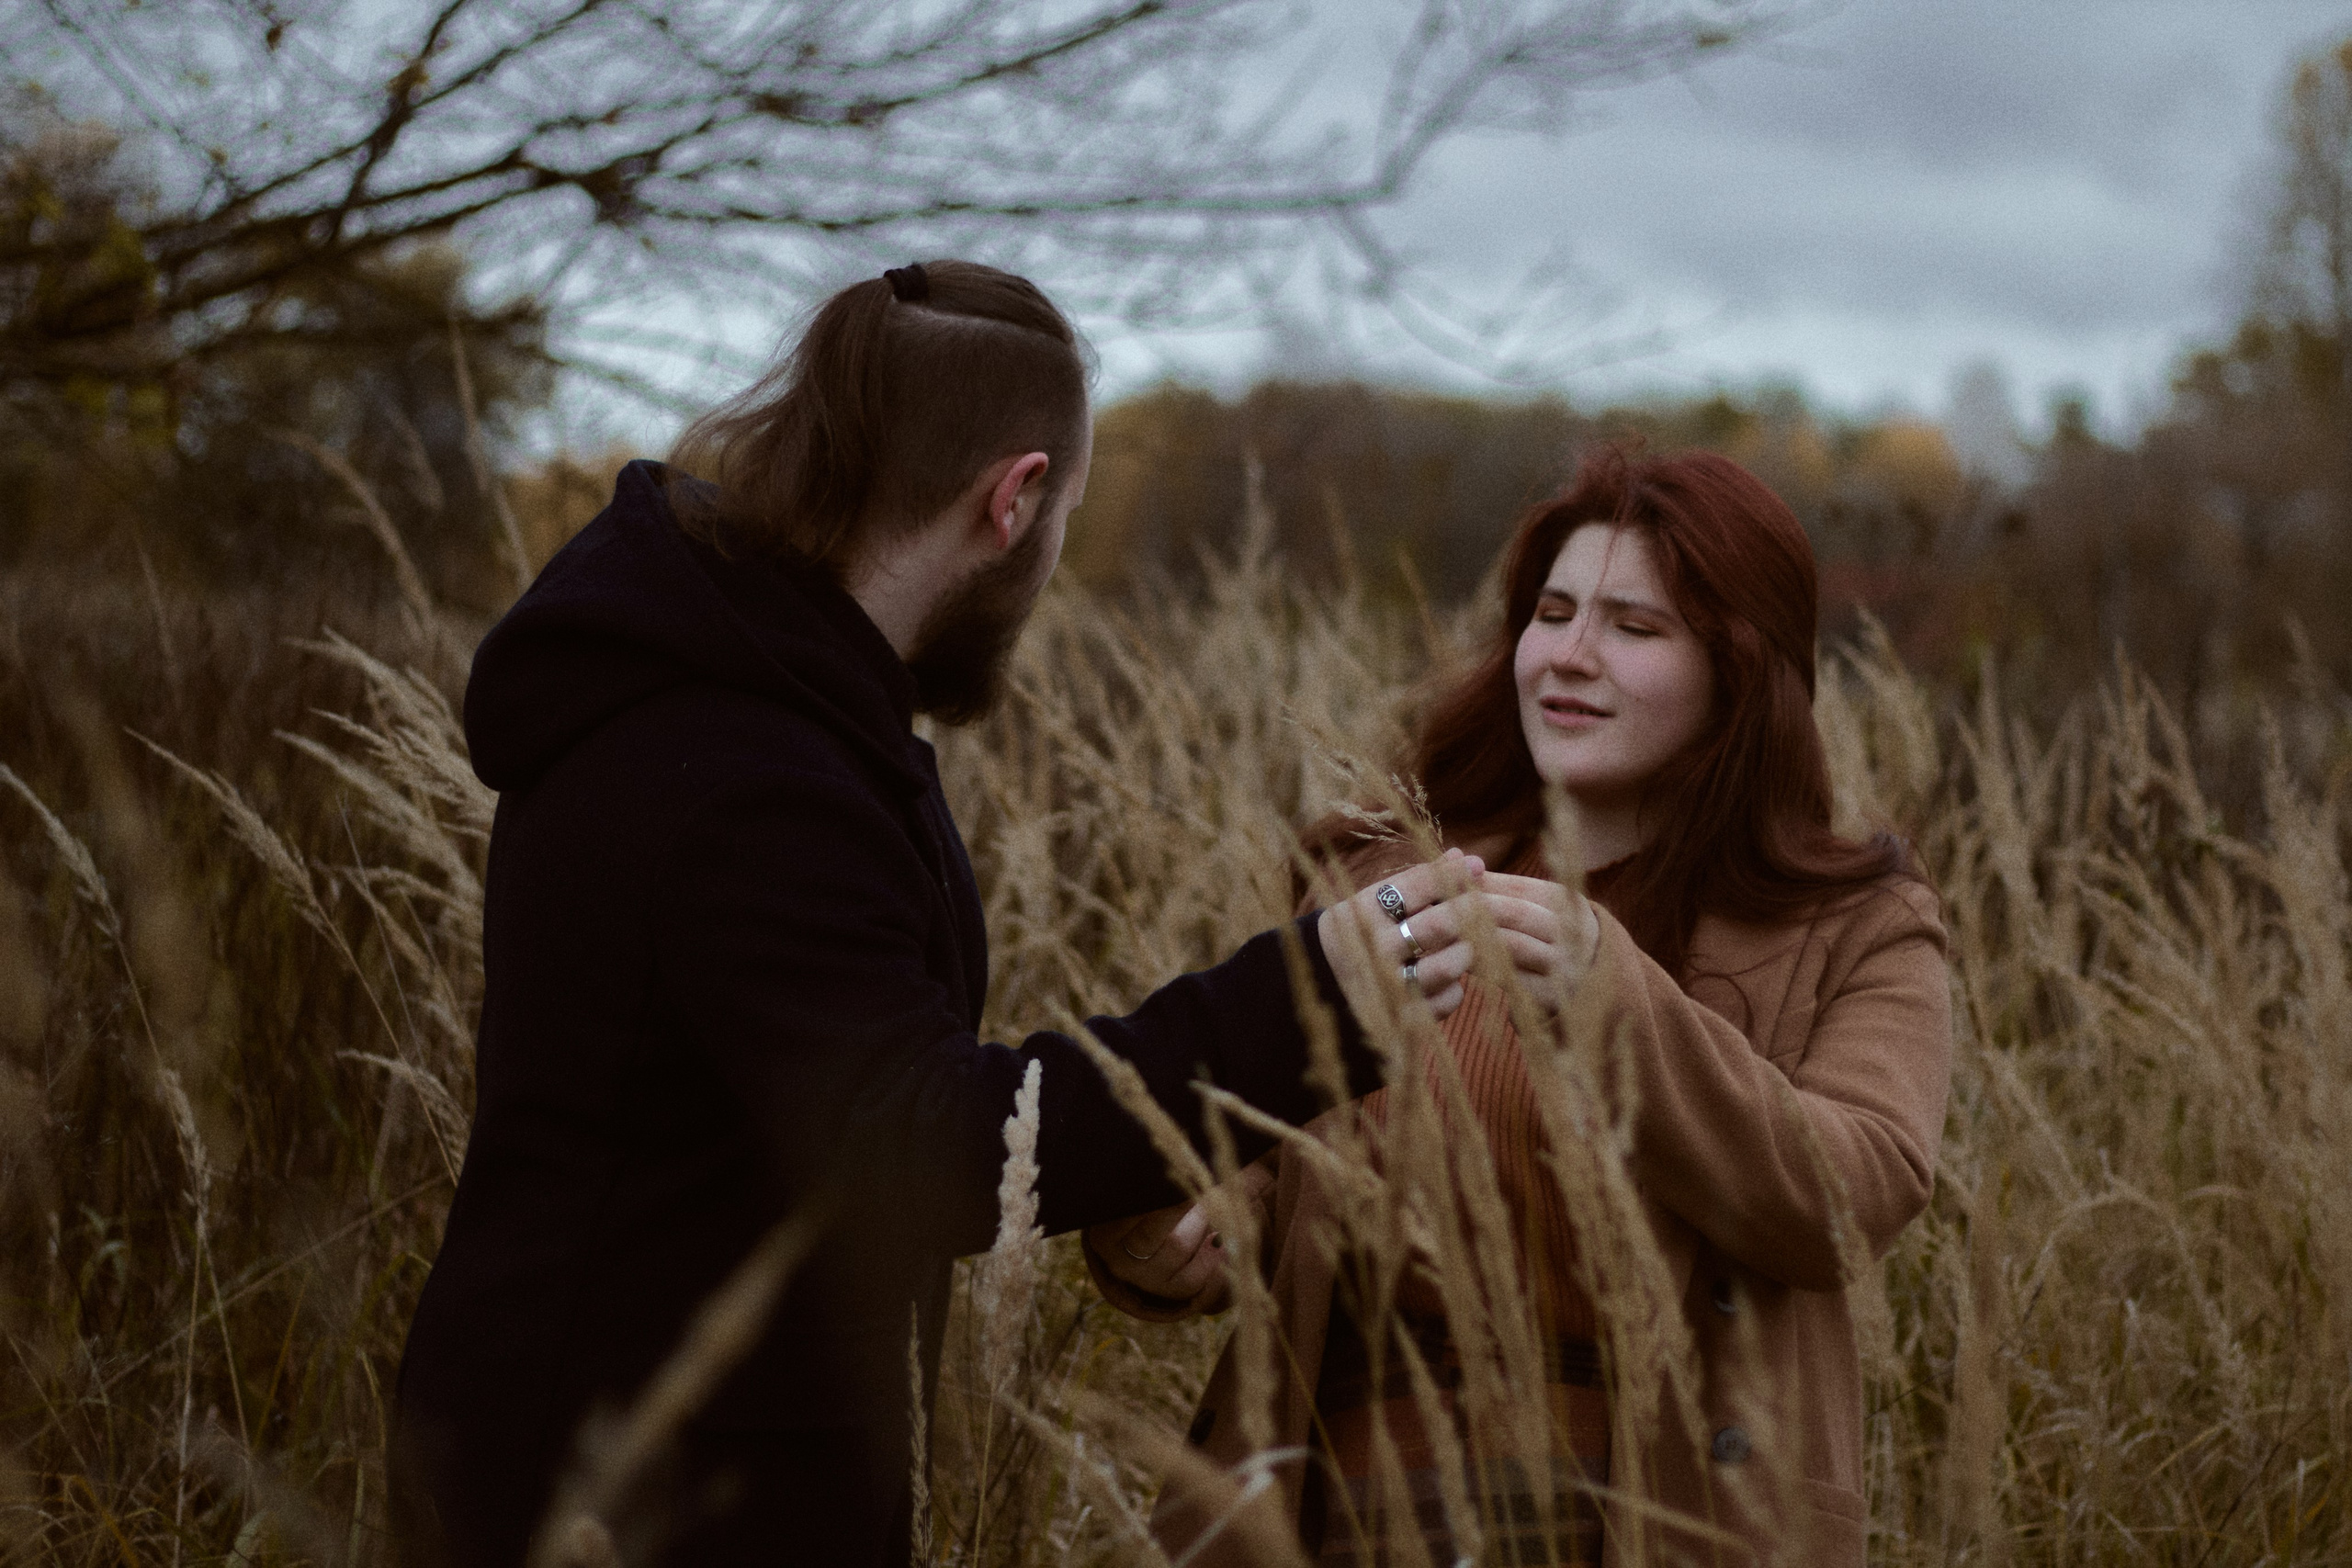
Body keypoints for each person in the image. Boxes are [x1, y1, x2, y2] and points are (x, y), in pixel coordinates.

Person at [387, 260, 1577, 1568]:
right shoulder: (744, 769)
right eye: (1062, 516)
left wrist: (1173, 1168)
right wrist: (1306, 1000)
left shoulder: (765, 702)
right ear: (1013, 499)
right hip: (616, 1490)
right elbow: (928, 1148)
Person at [1086, 448, 1954, 1568]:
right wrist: (1171, 1227)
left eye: (1634, 627)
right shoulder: (1382, 878)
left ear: (1738, 673)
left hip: (1653, 1522)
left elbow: (1852, 1194)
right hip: (1342, 1514)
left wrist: (1618, 1006)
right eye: (1551, 613)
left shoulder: (1855, 921)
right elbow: (1270, 1168)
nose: (1569, 655)